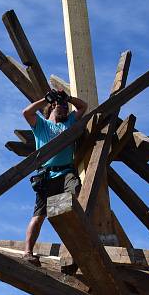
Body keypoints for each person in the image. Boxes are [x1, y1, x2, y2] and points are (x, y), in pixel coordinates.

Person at [21, 88, 88, 265]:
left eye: (66, 106)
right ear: (51, 107)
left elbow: (83, 107)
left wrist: (68, 98)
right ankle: (28, 251)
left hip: (65, 172)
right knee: (39, 215)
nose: (65, 108)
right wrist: (46, 99)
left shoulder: (69, 122)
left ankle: (74, 246)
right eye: (61, 105)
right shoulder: (42, 125)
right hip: (47, 176)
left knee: (74, 194)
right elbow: (26, 112)